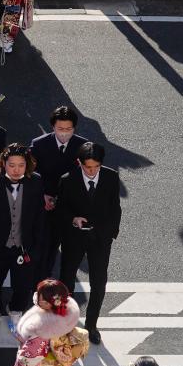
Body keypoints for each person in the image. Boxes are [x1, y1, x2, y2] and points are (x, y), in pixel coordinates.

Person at [0, 143, 45, 341]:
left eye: (21, 165)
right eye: (12, 165)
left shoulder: (35, 183)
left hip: (24, 247)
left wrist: (36, 248)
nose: (16, 169)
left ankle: (16, 313)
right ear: (3, 163)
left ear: (27, 165)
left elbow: (39, 217)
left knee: (23, 286)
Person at [56, 141, 122, 344]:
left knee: (99, 283)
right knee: (67, 280)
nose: (92, 171)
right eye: (87, 167)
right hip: (74, 237)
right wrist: (73, 219)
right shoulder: (68, 180)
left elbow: (115, 207)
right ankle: (68, 324)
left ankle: (91, 325)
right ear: (80, 163)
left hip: (100, 239)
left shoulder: (111, 177)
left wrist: (110, 234)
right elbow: (61, 207)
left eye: (96, 167)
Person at [29, 105, 88, 281]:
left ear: (74, 128)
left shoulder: (83, 146)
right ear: (52, 127)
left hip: (69, 204)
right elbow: (31, 174)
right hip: (45, 202)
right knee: (44, 246)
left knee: (70, 249)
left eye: (68, 129)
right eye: (60, 129)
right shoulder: (39, 145)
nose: (64, 133)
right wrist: (42, 196)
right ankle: (41, 284)